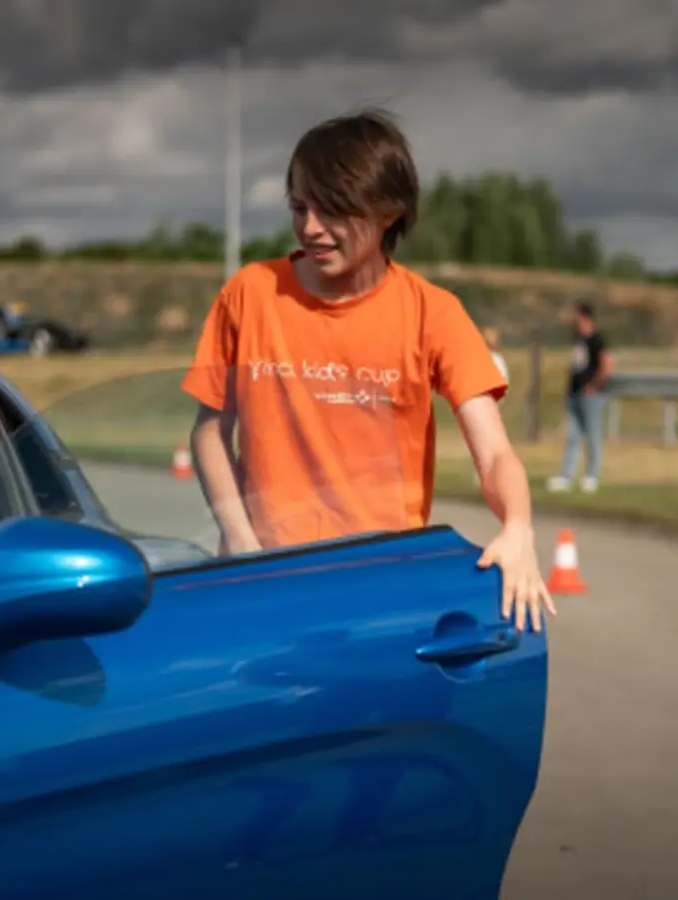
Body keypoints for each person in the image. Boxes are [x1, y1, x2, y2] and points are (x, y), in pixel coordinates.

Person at [180, 109, 555, 632]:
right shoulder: (250, 293)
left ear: (389, 211)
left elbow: (494, 455)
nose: (311, 227)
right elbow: (210, 431)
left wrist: (518, 528)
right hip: (264, 583)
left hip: (381, 591)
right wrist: (240, 541)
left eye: (332, 211)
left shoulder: (432, 312)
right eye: (299, 207)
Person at [547, 300, 612, 494]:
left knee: (592, 435)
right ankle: (567, 475)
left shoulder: (596, 339)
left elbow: (607, 365)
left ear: (584, 317)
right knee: (572, 436)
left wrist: (595, 385)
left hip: (590, 395)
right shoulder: (577, 338)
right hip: (574, 393)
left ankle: (592, 475)